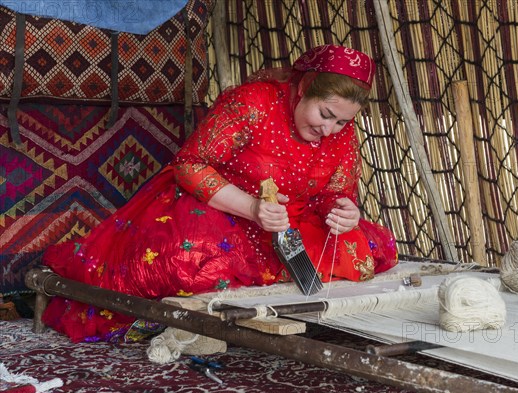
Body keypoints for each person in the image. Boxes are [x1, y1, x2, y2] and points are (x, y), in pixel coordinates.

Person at [41, 44, 399, 342]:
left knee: (366, 252)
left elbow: (334, 193)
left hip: (286, 221)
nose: (329, 128)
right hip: (221, 207)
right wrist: (252, 207)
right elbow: (190, 165)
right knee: (187, 262)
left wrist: (344, 211)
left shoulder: (339, 134)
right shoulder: (253, 103)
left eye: (342, 122)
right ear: (304, 87)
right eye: (325, 114)